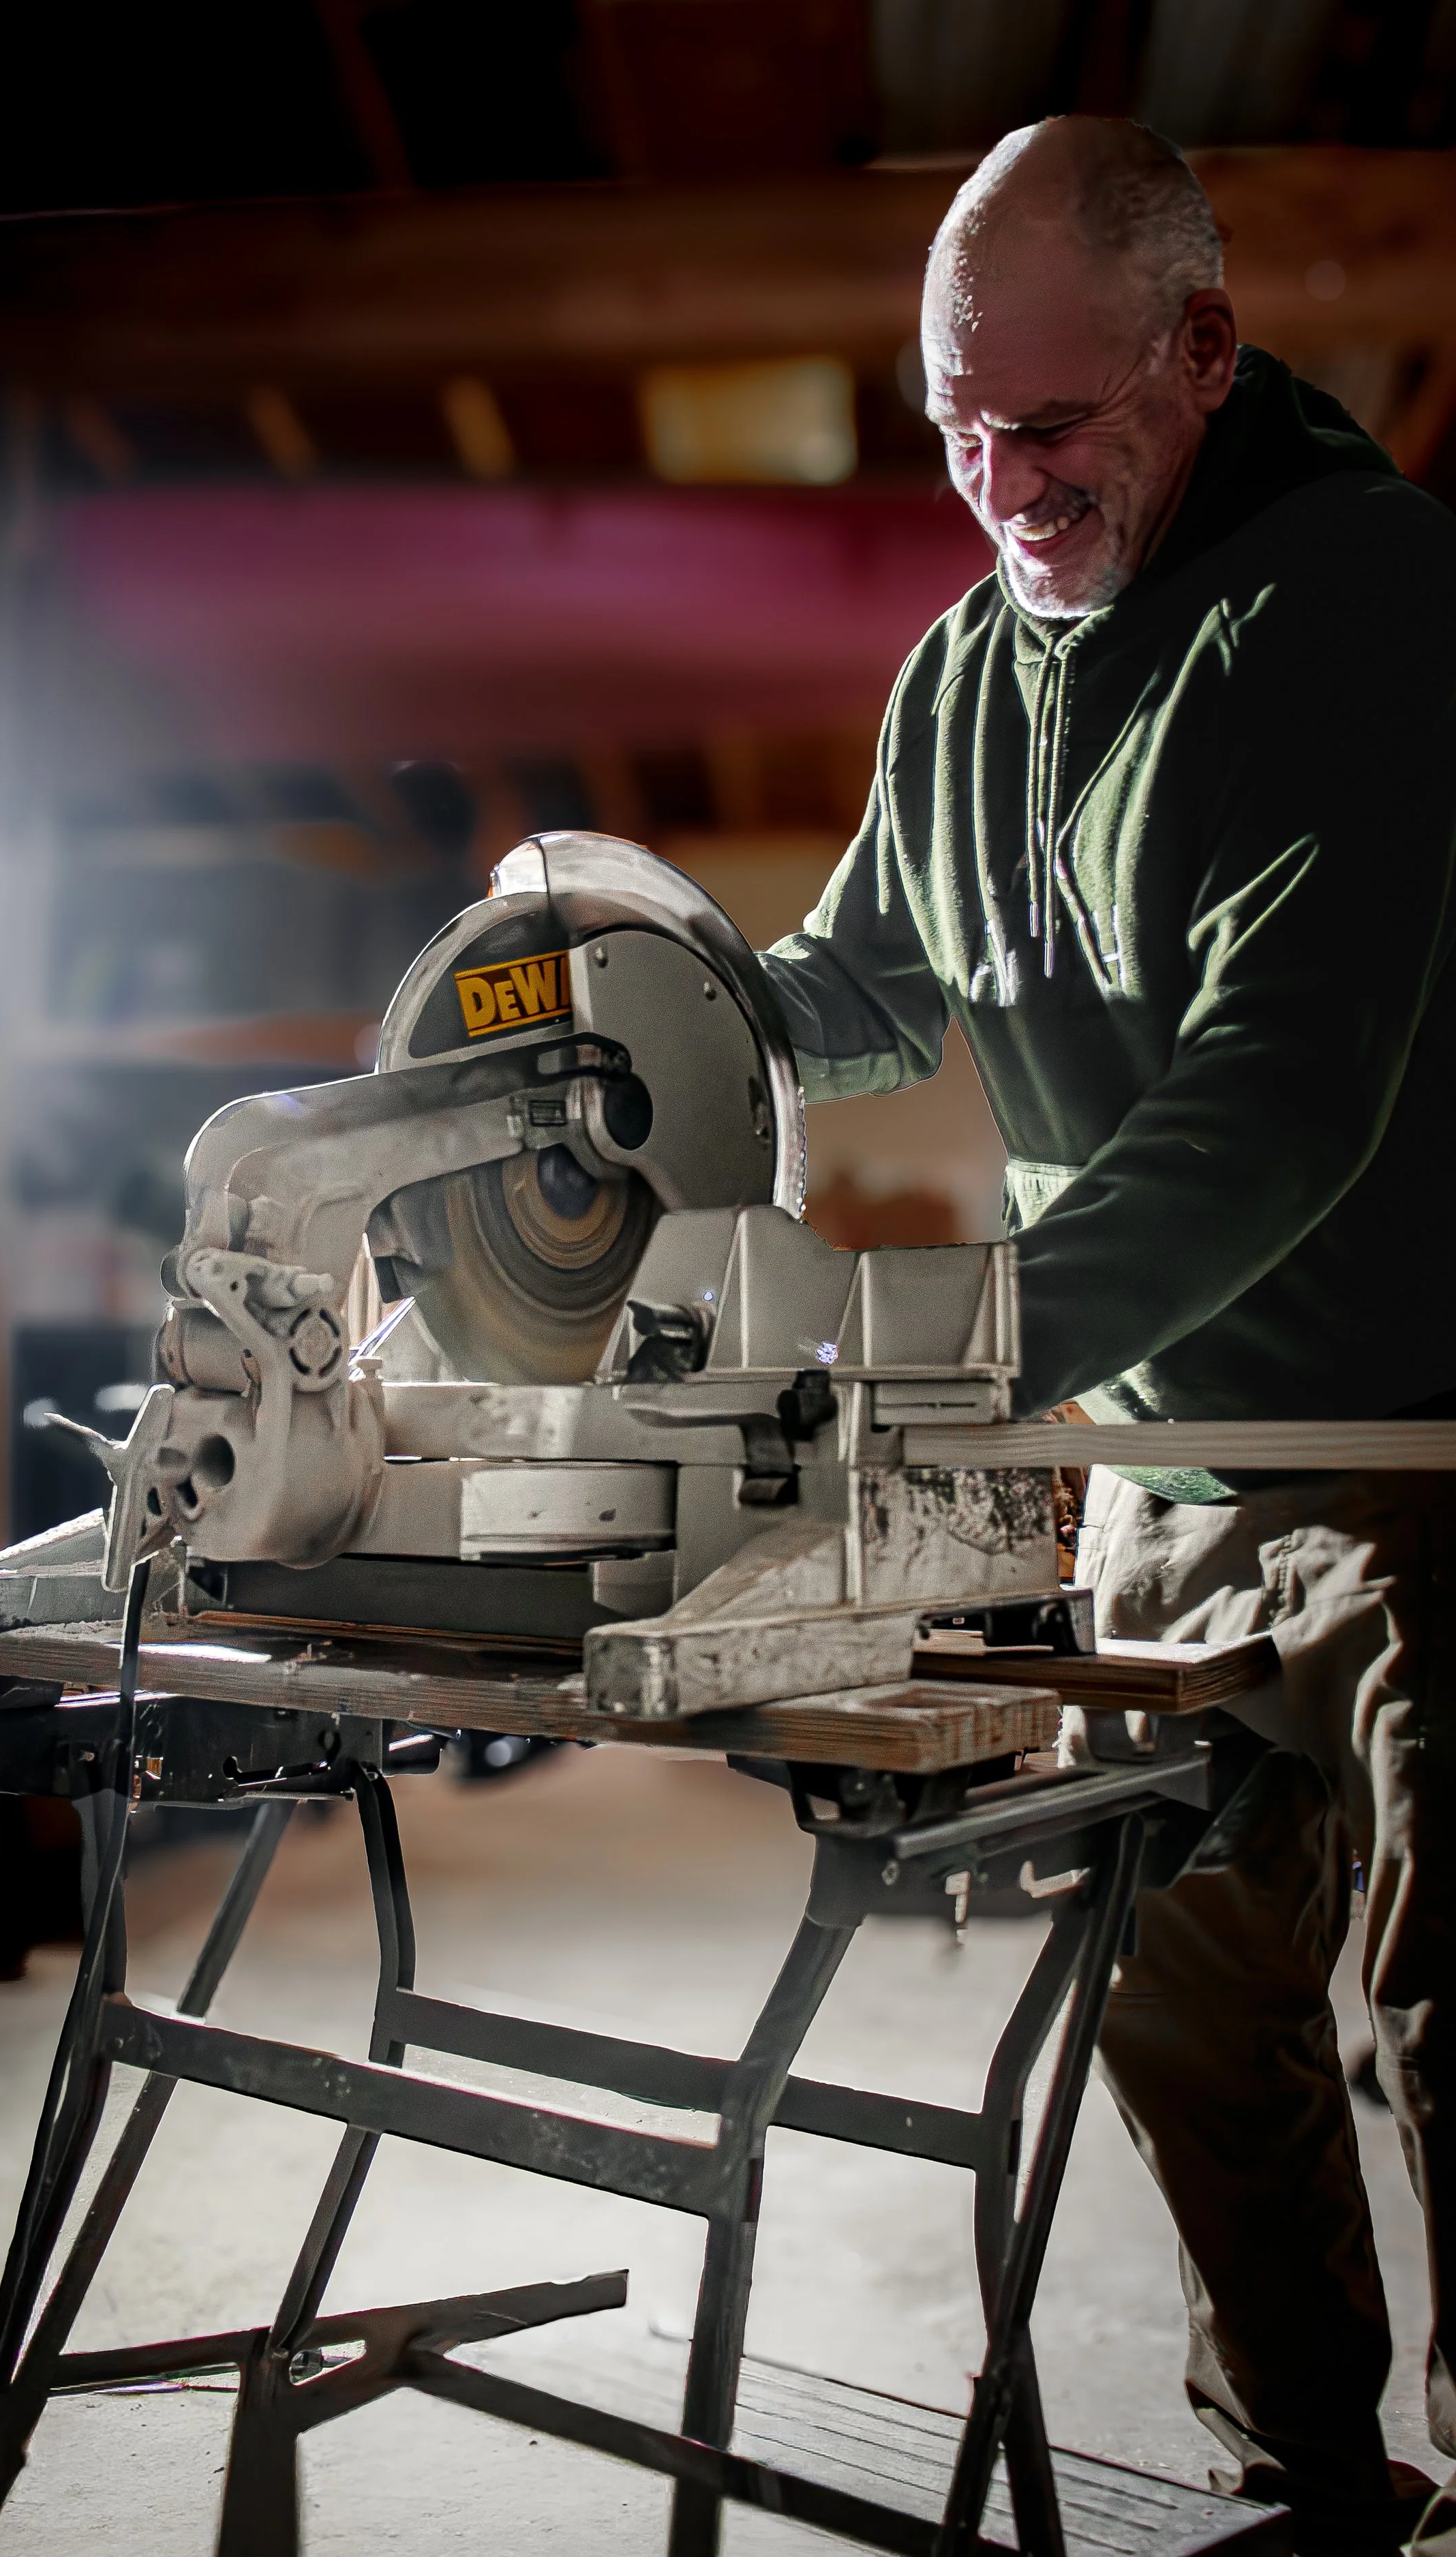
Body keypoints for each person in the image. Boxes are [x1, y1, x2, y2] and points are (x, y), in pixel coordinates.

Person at [758, 115, 1456, 2557]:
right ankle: (1306, 2480)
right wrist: (649, 986)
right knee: (1186, 2012)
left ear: (1205, 347)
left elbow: (1277, 1095)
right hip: (1155, 1481)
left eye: (1050, 424)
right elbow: (864, 981)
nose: (1002, 482)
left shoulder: (1359, 596)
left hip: (1408, 1454)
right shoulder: (963, 669)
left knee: (1444, 2015)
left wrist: (968, 1346)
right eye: (956, 425)